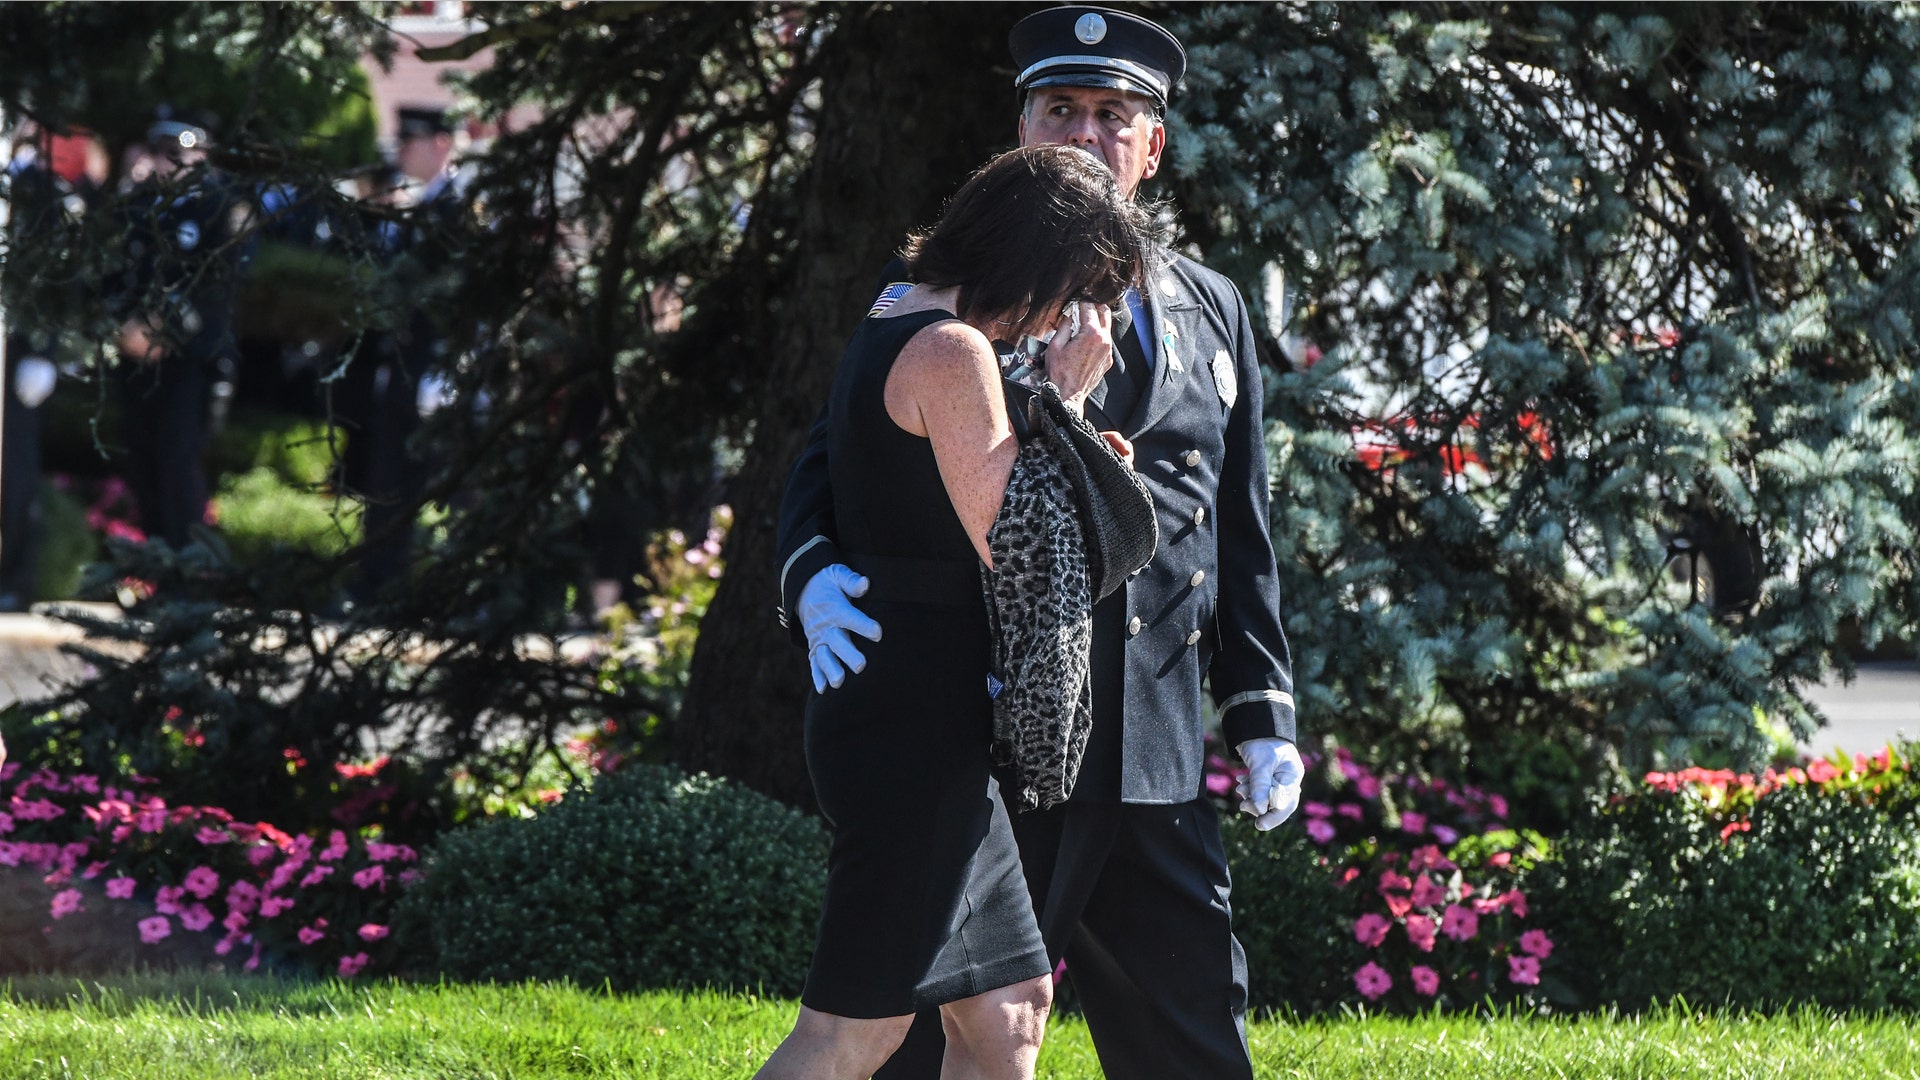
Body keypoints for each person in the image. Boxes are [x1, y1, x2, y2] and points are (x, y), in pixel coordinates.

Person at [774, 8, 1304, 1078]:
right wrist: (811, 571)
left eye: (1115, 116)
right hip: (990, 715)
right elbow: (837, 454)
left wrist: (1262, 710)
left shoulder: (1212, 308)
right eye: (1062, 108)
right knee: (910, 1041)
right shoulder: (943, 300)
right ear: (1021, 130)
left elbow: (1236, 526)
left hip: (1149, 737)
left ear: (1153, 146)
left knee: (1186, 1032)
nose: (1085, 134)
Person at [756, 143, 1155, 1080]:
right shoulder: (951, 348)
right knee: (852, 1033)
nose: (1062, 316)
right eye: (1069, 288)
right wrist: (1065, 403)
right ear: (1029, 258)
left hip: (917, 709)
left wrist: (1058, 436)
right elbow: (1017, 545)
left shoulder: (895, 309)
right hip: (912, 726)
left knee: (1012, 1008)